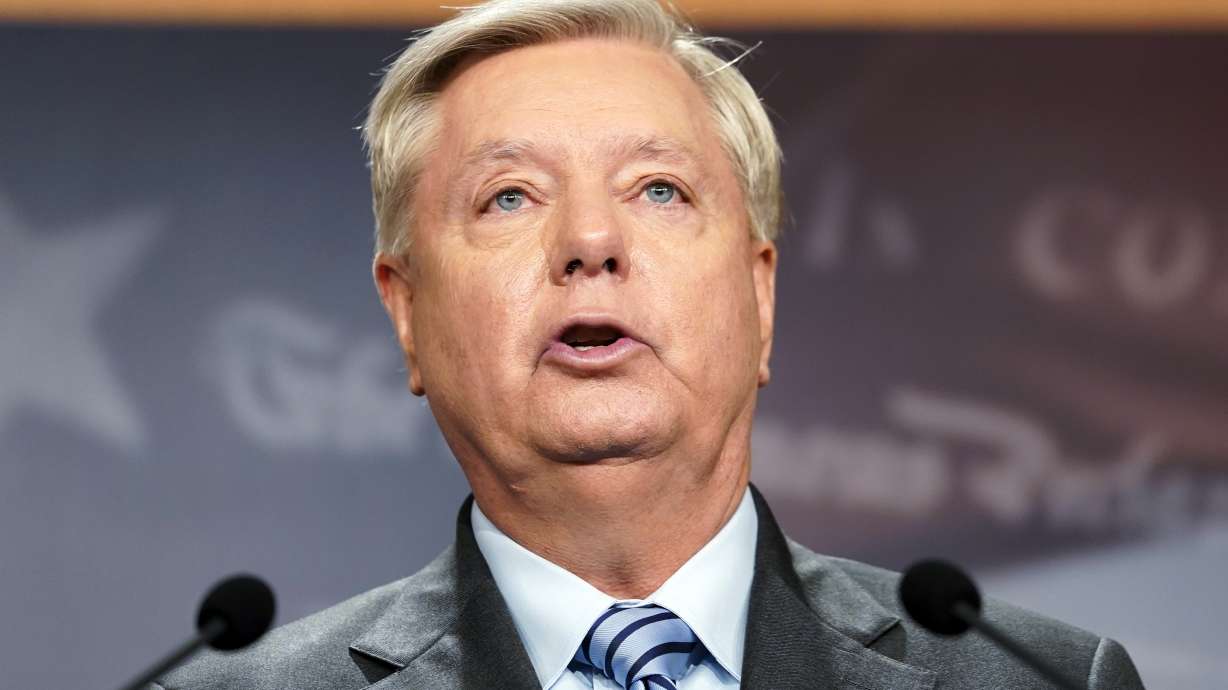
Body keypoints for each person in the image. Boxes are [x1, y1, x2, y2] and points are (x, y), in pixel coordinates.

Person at [153, 0, 1145, 688]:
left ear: (760, 293)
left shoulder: (1042, 682)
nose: (591, 241)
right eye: (509, 197)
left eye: (658, 190)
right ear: (406, 312)